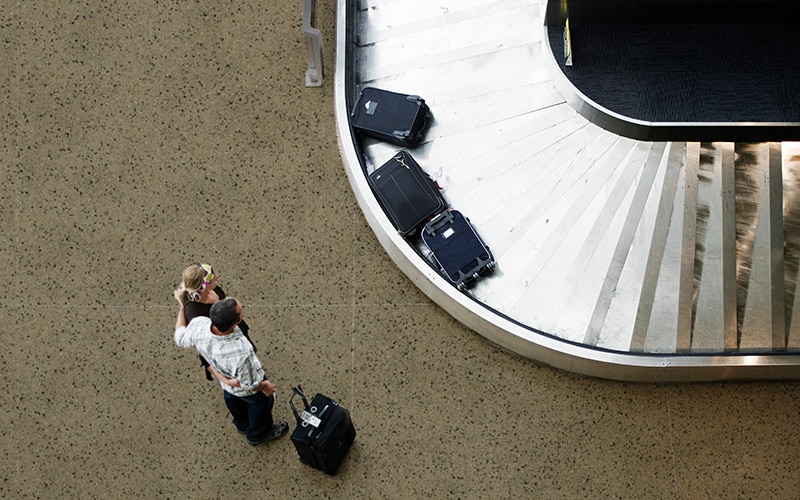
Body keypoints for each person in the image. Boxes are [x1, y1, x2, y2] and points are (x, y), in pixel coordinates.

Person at [174, 297, 289, 445]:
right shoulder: (241, 352)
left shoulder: (198, 325)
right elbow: (249, 383)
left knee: (233, 402)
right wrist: (265, 386)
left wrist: (182, 307)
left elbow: (180, 337)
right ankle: (258, 435)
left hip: (228, 386)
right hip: (246, 390)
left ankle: (242, 425)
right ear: (235, 324)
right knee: (260, 407)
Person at [174, 263, 255, 383]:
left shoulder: (214, 290)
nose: (218, 276)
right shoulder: (195, 314)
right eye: (214, 277)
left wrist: (219, 302)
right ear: (205, 286)